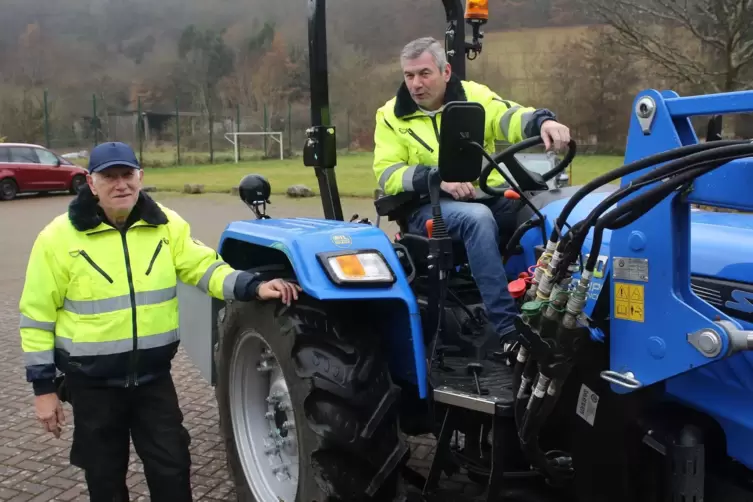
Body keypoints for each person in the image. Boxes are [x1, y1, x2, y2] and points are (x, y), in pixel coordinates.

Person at [18, 141, 301, 502]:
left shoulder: (167, 225)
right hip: (93, 387)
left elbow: (205, 268)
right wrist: (43, 391)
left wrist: (254, 285)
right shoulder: (57, 239)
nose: (120, 184)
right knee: (104, 478)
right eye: (109, 177)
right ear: (91, 183)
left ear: (140, 177)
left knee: (173, 470)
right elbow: (37, 317)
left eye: (127, 175)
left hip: (152, 381)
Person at [372, 36, 571, 342]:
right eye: (409, 76)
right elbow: (388, 173)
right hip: (428, 208)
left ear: (446, 72)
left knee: (545, 209)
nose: (415, 84)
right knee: (476, 219)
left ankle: (550, 306)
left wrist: (542, 122)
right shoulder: (391, 116)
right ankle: (508, 330)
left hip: (485, 196)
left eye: (424, 73)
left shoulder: (474, 98)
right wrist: (438, 178)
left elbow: (509, 117)